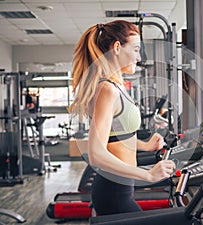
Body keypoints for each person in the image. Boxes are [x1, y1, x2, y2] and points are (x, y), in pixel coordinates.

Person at [69, 20, 176, 216]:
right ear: (117, 48)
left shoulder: (116, 87)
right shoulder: (107, 89)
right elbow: (96, 154)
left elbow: (115, 137)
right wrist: (149, 175)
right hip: (113, 192)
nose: (138, 57)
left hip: (123, 188)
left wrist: (144, 145)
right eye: (135, 50)